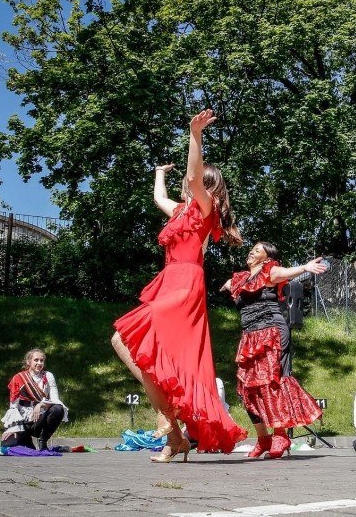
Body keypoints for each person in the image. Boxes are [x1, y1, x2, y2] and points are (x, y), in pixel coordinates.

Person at [111, 109, 246, 463]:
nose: (188, 184)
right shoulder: (181, 213)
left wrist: (195, 134)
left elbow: (192, 175)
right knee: (125, 343)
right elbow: (159, 198)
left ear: (208, 186)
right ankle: (174, 434)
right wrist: (158, 174)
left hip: (185, 286)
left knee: (137, 334)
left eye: (196, 181)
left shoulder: (205, 208)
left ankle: (168, 419)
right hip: (168, 281)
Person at [220, 241, 327, 459]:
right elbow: (229, 285)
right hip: (249, 336)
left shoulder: (271, 271)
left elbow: (286, 272)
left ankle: (280, 434)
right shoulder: (239, 279)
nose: (252, 251)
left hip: (272, 333)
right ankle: (263, 439)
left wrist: (305, 268)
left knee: (272, 383)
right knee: (247, 390)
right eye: (252, 248)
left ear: (267, 258)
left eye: (258, 250)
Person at [1, 349, 68, 450]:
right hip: (23, 421)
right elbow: (13, 406)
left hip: (40, 418)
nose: (39, 363)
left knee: (58, 409)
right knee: (9, 446)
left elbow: (55, 400)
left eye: (41, 360)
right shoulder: (19, 378)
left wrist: (40, 404)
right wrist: (12, 428)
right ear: (28, 361)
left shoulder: (48, 376)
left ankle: (43, 440)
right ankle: (26, 438)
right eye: (36, 360)